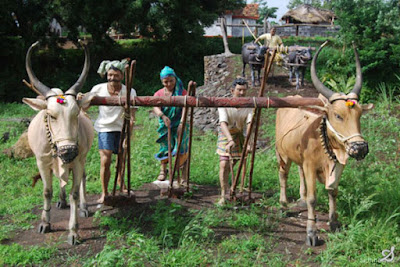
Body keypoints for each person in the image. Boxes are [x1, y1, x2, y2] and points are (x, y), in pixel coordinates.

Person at [90, 59, 137, 204]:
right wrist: (82, 100)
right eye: (110, 75)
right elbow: (85, 103)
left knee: (122, 159)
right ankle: (104, 193)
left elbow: (132, 117)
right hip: (105, 128)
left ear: (122, 76)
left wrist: (128, 136)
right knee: (106, 159)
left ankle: (121, 184)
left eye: (116, 75)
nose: (112, 78)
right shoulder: (98, 89)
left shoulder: (129, 91)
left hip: (122, 128)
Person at [216, 78, 253, 205]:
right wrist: (230, 140)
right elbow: (223, 123)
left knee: (237, 163)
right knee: (224, 164)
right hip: (226, 135)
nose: (242, 93)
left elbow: (249, 124)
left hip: (239, 135)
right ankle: (223, 194)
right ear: (232, 90)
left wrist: (248, 142)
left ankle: (233, 189)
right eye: (239, 90)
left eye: (244, 90)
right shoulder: (224, 104)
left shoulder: (249, 106)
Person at [153, 66, 189, 182]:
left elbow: (185, 108)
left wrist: (182, 123)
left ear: (175, 79)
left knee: (181, 147)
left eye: (171, 81)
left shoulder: (182, 92)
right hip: (165, 123)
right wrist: (163, 116)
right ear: (162, 81)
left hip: (179, 123)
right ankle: (163, 170)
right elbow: (155, 107)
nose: (169, 84)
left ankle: (180, 172)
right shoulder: (158, 94)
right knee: (165, 146)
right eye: (165, 82)